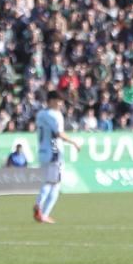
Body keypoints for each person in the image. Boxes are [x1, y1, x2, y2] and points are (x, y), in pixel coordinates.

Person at [33, 91, 81, 224]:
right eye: (58, 100)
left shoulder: (40, 114)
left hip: (42, 151)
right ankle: (42, 209)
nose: (61, 103)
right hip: (54, 151)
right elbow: (59, 133)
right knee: (54, 183)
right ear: (51, 101)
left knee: (48, 181)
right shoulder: (55, 115)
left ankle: (41, 209)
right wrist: (74, 142)